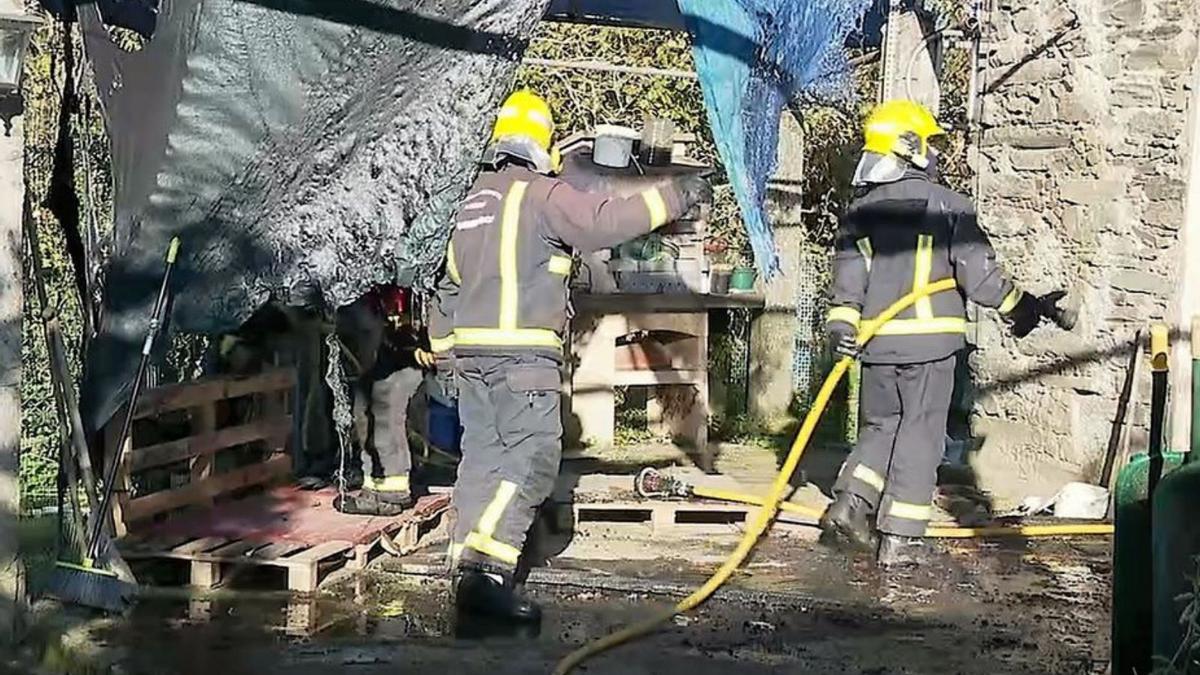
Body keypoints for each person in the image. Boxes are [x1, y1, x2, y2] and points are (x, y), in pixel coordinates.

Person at [429, 89, 712, 622]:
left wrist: (445, 355)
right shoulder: (540, 194)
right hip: (523, 361)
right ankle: (484, 581)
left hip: (471, 363)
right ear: (541, 143)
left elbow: (444, 288)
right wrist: (678, 195)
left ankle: (464, 562)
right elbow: (602, 222)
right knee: (531, 462)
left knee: (482, 460)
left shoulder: (468, 204)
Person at [819, 99, 1056, 567]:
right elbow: (981, 278)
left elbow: (846, 289)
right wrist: (1024, 308)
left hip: (876, 345)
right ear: (909, 147)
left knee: (880, 427)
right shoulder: (950, 206)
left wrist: (840, 332)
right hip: (930, 346)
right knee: (920, 433)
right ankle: (902, 538)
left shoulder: (858, 215)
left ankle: (850, 505)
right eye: (928, 142)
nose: (935, 151)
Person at [336, 285, 436, 516]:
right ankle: (377, 485)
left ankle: (390, 490)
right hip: (398, 334)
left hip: (421, 332)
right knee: (368, 403)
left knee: (385, 403)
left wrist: (429, 343)